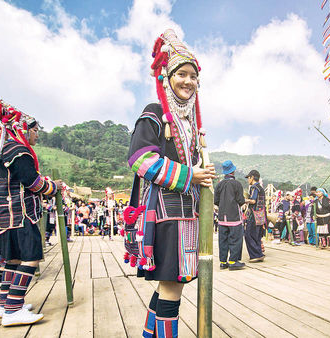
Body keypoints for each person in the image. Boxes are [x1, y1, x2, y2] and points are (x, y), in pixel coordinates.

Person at [127, 29, 215, 338]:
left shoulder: (188, 123)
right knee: (172, 286)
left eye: (193, 76)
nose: (188, 81)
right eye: (181, 74)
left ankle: (150, 335)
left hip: (182, 214)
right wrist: (191, 175)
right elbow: (139, 159)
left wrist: (200, 171)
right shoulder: (154, 113)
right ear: (167, 75)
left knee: (169, 283)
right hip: (165, 215)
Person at [0, 101, 59, 326]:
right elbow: (32, 182)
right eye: (35, 131)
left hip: (8, 213)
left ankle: (5, 304)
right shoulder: (18, 150)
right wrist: (54, 187)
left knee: (13, 259)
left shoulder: (8, 147)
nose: (37, 135)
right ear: (24, 129)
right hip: (18, 212)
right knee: (31, 258)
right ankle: (13, 309)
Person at [214, 160, 246, 271]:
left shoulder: (219, 185)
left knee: (223, 240)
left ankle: (223, 262)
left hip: (222, 217)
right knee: (235, 239)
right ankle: (233, 261)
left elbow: (216, 201)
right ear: (233, 171)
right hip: (234, 217)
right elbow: (241, 200)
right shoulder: (237, 184)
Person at [244, 170, 266, 262]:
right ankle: (259, 254)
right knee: (257, 236)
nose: (248, 180)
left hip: (253, 215)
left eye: (248, 178)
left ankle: (255, 255)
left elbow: (253, 201)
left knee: (248, 234)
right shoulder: (261, 188)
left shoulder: (254, 187)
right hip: (261, 215)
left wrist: (244, 200)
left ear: (252, 177)